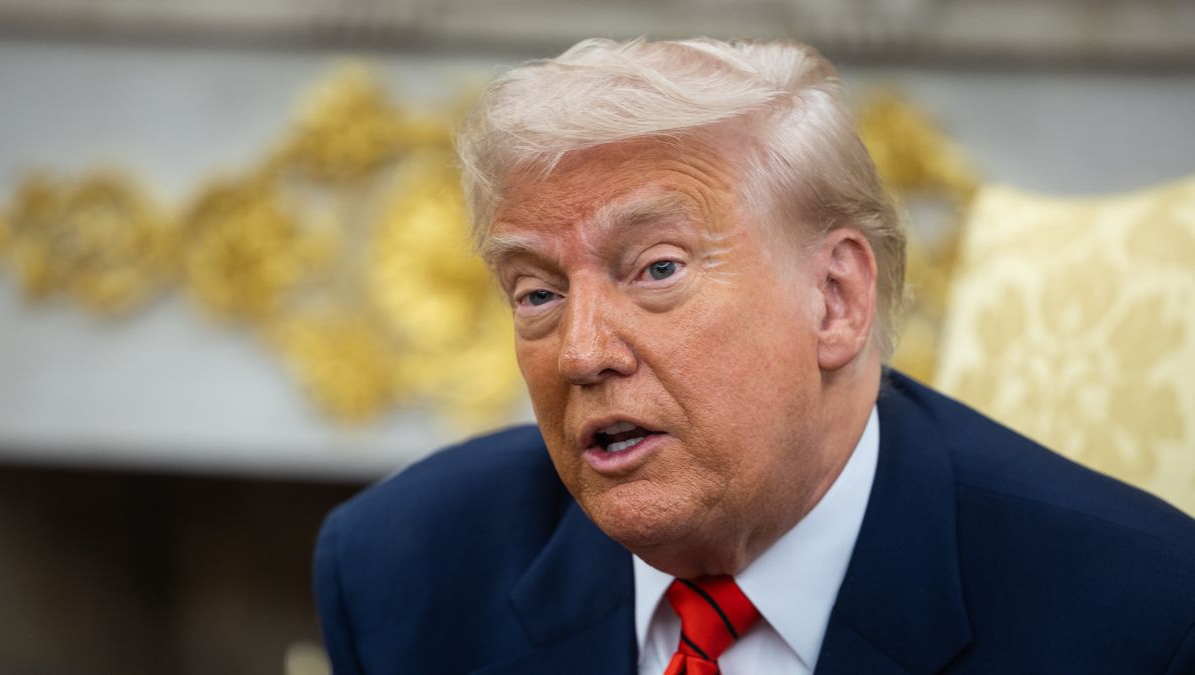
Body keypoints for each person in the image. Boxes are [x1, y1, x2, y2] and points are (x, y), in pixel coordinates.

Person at [313, 38, 1195, 675]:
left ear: (835, 298)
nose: (581, 352)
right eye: (538, 292)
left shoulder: (1139, 617)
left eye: (657, 269)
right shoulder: (401, 572)